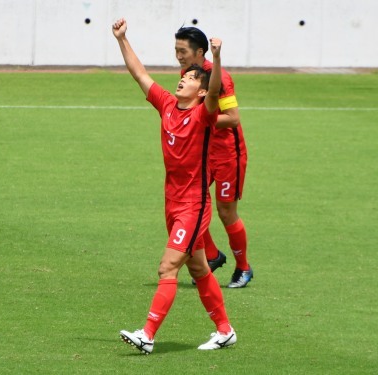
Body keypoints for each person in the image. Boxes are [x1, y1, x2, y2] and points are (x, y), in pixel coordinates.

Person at [112, 18, 236, 354]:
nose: (184, 79)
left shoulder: (203, 116)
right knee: (197, 267)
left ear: (201, 91)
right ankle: (224, 330)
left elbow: (215, 96)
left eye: (193, 78)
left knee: (167, 267)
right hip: (172, 203)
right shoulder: (167, 105)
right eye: (185, 76)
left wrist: (217, 56)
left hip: (193, 207)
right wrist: (123, 39)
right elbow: (140, 74)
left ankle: (148, 334)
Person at [175, 27, 252, 288]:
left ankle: (244, 268)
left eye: (182, 51)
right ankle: (212, 255)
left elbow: (233, 119)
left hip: (229, 155)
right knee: (190, 204)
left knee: (225, 212)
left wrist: (199, 124)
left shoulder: (222, 79)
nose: (178, 56)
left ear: (199, 52)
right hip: (203, 154)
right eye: (176, 51)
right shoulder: (188, 76)